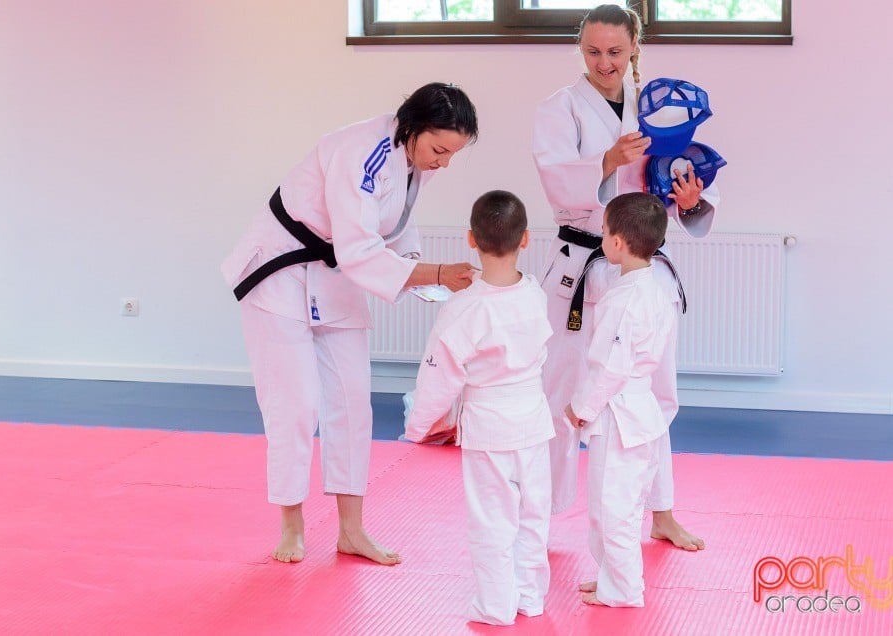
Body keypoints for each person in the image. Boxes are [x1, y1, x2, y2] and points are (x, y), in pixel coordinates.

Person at [220, 83, 479, 566]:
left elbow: (398, 226)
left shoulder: (410, 160)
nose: (443, 163)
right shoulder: (362, 151)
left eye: (452, 155)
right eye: (439, 150)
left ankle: (351, 531)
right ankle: (292, 527)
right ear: (412, 128)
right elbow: (358, 250)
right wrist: (437, 273)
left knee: (353, 403)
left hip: (334, 278)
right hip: (280, 273)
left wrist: (422, 273)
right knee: (295, 405)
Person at [533, 4, 719, 551]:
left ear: (635, 46)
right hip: (580, 262)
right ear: (580, 48)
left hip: (642, 269)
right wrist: (605, 160)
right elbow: (556, 182)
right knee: (561, 390)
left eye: (615, 51)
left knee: (654, 387)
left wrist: (691, 200)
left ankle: (660, 511)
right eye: (593, 51)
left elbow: (681, 181)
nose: (604, 62)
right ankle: (539, 517)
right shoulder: (559, 108)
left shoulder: (658, 108)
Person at [405, 190, 554, 625]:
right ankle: (530, 597)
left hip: (489, 427)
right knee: (532, 515)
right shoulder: (535, 294)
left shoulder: (464, 308)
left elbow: (439, 375)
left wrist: (420, 424)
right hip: (533, 421)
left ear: (471, 240)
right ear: (526, 239)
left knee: (492, 520)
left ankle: (495, 605)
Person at [564, 192, 677, 607]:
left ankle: (625, 589)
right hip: (633, 410)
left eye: (605, 231)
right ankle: (612, 576)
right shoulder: (653, 289)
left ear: (617, 243)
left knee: (615, 509)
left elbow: (611, 367)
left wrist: (581, 408)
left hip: (620, 414)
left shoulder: (627, 298)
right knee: (610, 505)